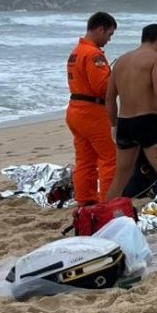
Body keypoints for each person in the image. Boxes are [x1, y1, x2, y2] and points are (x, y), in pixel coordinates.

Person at [105, 23, 157, 231]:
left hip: (125, 123)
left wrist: (114, 124)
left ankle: (103, 222)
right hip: (148, 121)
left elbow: (110, 99)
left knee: (121, 176)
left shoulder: (120, 61)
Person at [66, 12, 118, 206]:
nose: (109, 40)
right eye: (109, 34)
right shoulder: (94, 54)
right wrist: (117, 77)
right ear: (100, 29)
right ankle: (107, 202)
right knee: (110, 158)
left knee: (85, 159)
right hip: (93, 112)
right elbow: (102, 87)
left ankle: (85, 200)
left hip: (75, 109)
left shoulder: (76, 51)